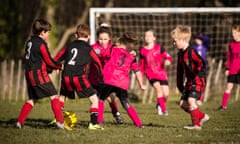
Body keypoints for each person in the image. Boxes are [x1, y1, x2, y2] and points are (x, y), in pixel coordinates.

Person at [16, 19, 70, 130]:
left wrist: (49, 68)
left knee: (32, 99)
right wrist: (59, 66)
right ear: (42, 32)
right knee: (54, 96)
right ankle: (60, 123)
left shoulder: (29, 42)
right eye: (48, 32)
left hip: (28, 73)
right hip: (38, 74)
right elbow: (48, 60)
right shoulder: (41, 44)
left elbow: (36, 59)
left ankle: (19, 122)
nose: (48, 34)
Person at [54, 24, 104, 130]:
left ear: (76, 35)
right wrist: (101, 75)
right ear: (89, 36)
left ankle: (58, 119)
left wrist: (56, 66)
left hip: (66, 76)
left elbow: (57, 57)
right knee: (94, 99)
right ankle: (94, 124)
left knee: (62, 97)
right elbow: (98, 62)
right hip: (79, 77)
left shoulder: (69, 45)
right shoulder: (89, 49)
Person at [98, 32, 146, 128]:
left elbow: (101, 52)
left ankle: (99, 121)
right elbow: (137, 71)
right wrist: (141, 84)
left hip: (110, 80)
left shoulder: (112, 50)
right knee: (126, 103)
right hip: (122, 83)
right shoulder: (131, 57)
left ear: (119, 44)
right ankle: (139, 123)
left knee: (100, 99)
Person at [171, 25, 210, 130]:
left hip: (197, 79)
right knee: (182, 104)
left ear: (183, 39)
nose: (174, 44)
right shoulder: (180, 54)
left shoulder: (191, 51)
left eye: (175, 41)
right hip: (189, 81)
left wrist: (198, 72)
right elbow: (179, 71)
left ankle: (196, 125)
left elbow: (202, 63)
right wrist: (179, 84)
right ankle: (202, 116)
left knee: (191, 100)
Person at [88, 23, 124, 124]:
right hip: (94, 79)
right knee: (96, 99)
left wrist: (131, 54)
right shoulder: (93, 47)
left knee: (111, 98)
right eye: (100, 39)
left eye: (105, 39)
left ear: (109, 39)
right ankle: (99, 119)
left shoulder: (113, 48)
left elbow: (122, 57)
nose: (102, 41)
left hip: (107, 80)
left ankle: (116, 113)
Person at [139, 29, 172, 116]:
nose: (147, 37)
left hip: (161, 74)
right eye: (146, 36)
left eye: (149, 35)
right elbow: (141, 66)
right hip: (151, 74)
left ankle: (159, 104)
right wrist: (141, 81)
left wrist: (168, 61)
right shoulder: (142, 50)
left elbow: (168, 57)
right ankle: (164, 111)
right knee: (158, 89)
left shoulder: (159, 48)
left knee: (166, 94)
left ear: (154, 38)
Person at [218, 25, 240, 110]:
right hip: (233, 70)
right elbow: (229, 57)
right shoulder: (231, 44)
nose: (233, 34)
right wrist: (227, 68)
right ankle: (223, 106)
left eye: (235, 33)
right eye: (232, 33)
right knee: (228, 87)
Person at [193, 35, 210, 105]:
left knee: (202, 83)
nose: (197, 40)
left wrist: (200, 37)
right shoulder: (193, 47)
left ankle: (200, 99)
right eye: (196, 39)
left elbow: (208, 39)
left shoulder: (204, 47)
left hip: (203, 67)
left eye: (199, 39)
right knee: (194, 83)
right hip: (195, 68)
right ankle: (193, 97)